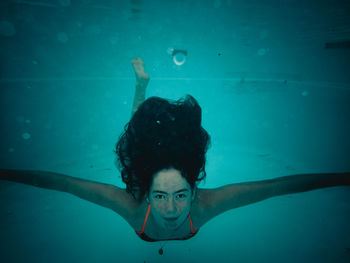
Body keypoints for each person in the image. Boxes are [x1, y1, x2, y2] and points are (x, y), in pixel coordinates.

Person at [0, 58, 349, 242]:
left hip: (155, 173)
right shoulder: (134, 204)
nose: (170, 209)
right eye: (161, 197)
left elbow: (277, 187)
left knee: (139, 144)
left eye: (181, 196)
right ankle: (141, 86)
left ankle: (141, 87)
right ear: (147, 196)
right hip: (144, 173)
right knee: (136, 147)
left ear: (194, 191)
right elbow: (58, 182)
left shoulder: (207, 204)